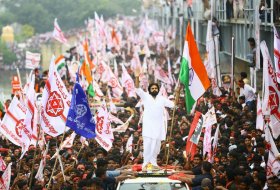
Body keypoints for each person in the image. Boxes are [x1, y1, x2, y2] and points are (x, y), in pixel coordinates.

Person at [134, 68, 175, 170]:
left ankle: (154, 163)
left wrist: (177, 94)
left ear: (158, 90)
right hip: (148, 126)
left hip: (159, 127)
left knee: (157, 146)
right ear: (149, 90)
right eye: (152, 88)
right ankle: (146, 163)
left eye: (155, 88)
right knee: (147, 145)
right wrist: (136, 77)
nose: (154, 90)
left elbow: (173, 105)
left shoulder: (162, 99)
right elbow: (137, 89)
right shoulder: (145, 97)